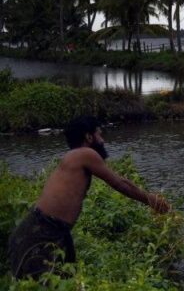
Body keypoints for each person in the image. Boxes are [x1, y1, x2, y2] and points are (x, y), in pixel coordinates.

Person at [7, 116, 171, 279]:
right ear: (88, 137)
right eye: (99, 134)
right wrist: (151, 200)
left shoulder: (74, 157)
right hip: (40, 234)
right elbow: (120, 184)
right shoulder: (85, 154)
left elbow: (121, 181)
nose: (103, 140)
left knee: (68, 279)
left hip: (51, 231)